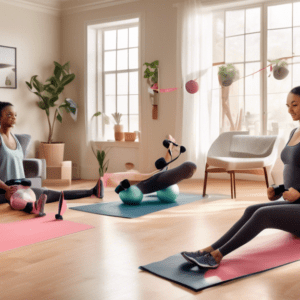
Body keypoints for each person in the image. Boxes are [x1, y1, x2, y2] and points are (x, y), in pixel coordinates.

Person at [181, 86, 300, 269]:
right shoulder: (294, 133)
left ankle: (216, 257)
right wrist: (279, 190)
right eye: (288, 105)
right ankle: (208, 249)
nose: (290, 110)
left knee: (263, 214)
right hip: (293, 204)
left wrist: (298, 194)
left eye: (295, 105)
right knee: (251, 209)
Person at [0, 101, 102, 215]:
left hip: (21, 189)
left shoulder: (15, 139)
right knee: (18, 200)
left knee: (50, 193)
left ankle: (92, 191)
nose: (13, 118)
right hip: (4, 191)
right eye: (9, 115)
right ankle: (33, 207)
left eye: (15, 115)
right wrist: (6, 190)